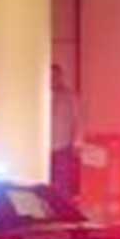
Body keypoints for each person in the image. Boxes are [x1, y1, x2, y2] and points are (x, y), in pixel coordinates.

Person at [50, 64, 81, 198]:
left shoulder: (70, 96)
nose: (53, 79)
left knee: (62, 182)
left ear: (60, 76)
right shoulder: (41, 95)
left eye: (55, 75)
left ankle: (63, 209)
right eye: (51, 76)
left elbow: (78, 119)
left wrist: (77, 143)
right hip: (42, 146)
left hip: (63, 145)